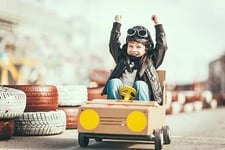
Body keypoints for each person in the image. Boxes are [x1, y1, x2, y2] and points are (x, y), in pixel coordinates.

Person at [101, 15, 167, 104]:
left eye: (138, 47)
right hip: (121, 98)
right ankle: (114, 108)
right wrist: (117, 24)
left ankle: (142, 111)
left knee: (140, 84)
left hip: (140, 100)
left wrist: (157, 24)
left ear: (146, 49)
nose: (134, 50)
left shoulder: (150, 61)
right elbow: (113, 44)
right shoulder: (122, 58)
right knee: (113, 82)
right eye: (131, 46)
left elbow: (161, 47)